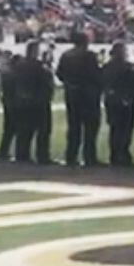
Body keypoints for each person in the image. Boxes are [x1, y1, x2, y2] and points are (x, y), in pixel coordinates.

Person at [55, 31, 102, 167]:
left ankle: (71, 156)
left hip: (72, 94)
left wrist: (70, 83)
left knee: (74, 127)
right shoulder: (89, 55)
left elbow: (59, 74)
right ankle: (89, 157)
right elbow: (95, 75)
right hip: (88, 96)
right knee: (90, 128)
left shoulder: (66, 55)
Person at [10, 41, 54, 163]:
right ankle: (42, 156)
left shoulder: (19, 66)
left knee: (23, 131)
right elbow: (46, 83)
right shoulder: (39, 67)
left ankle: (21, 155)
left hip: (22, 101)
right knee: (43, 131)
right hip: (38, 102)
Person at [101, 42, 134, 167]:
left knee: (114, 128)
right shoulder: (128, 67)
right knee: (125, 129)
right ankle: (123, 155)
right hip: (125, 100)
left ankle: (114, 155)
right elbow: (133, 83)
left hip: (111, 100)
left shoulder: (106, 67)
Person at [0, 52, 17, 161]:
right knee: (11, 128)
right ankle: (4, 152)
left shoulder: (4, 73)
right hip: (11, 103)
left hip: (7, 102)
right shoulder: (8, 74)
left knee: (9, 128)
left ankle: (4, 152)